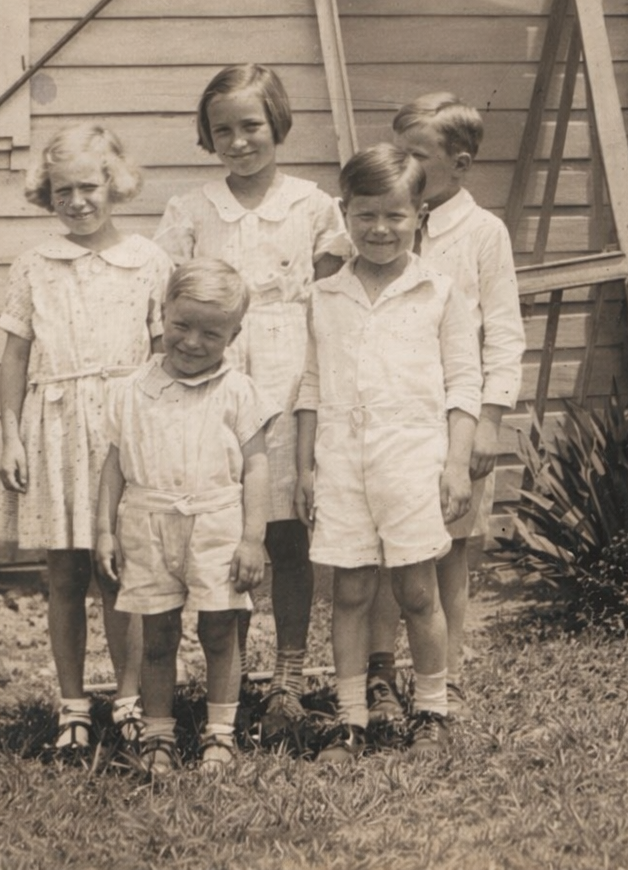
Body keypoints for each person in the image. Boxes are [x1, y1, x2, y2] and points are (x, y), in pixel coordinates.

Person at [154, 64, 350, 740]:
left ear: (278, 125)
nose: (239, 142)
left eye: (251, 127)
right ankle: (227, 683)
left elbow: (331, 299)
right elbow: (167, 304)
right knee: (224, 532)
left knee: (288, 532)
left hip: (291, 371)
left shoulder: (314, 206)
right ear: (207, 138)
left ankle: (289, 679)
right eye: (223, 131)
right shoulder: (191, 210)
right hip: (218, 376)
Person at [295, 144, 482, 761]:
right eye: (366, 215)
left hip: (413, 460)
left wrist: (456, 463)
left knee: (418, 592)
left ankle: (431, 711)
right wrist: (304, 468)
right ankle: (351, 718)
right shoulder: (325, 296)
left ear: (419, 217)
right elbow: (312, 387)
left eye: (395, 217)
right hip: (343, 461)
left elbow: (463, 383)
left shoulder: (439, 292)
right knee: (349, 592)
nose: (379, 229)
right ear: (345, 214)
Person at [0, 123, 169, 760]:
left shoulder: (148, 259)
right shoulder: (34, 263)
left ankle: (127, 698)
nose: (77, 201)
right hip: (56, 426)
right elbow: (15, 358)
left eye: (89, 187)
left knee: (119, 569)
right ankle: (72, 705)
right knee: (65, 573)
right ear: (48, 194)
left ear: (114, 185)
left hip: (122, 427)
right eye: (62, 190)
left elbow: (162, 356)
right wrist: (11, 436)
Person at [363, 93, 525, 723]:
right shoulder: (383, 223)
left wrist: (489, 420)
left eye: (417, 156)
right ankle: (379, 674)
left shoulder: (482, 234)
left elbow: (504, 332)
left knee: (449, 551)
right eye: (396, 150)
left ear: (459, 164)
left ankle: (447, 672)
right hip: (390, 416)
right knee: (384, 550)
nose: (403, 163)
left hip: (455, 421)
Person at [94, 259, 280, 777]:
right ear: (162, 314)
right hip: (148, 524)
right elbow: (114, 466)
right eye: (182, 326)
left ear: (234, 335)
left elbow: (257, 469)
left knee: (221, 630)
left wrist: (252, 538)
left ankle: (219, 734)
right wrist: (105, 530)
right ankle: (158, 736)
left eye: (211, 333)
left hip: (216, 523)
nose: (193, 342)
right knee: (157, 636)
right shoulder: (130, 390)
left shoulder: (239, 391)